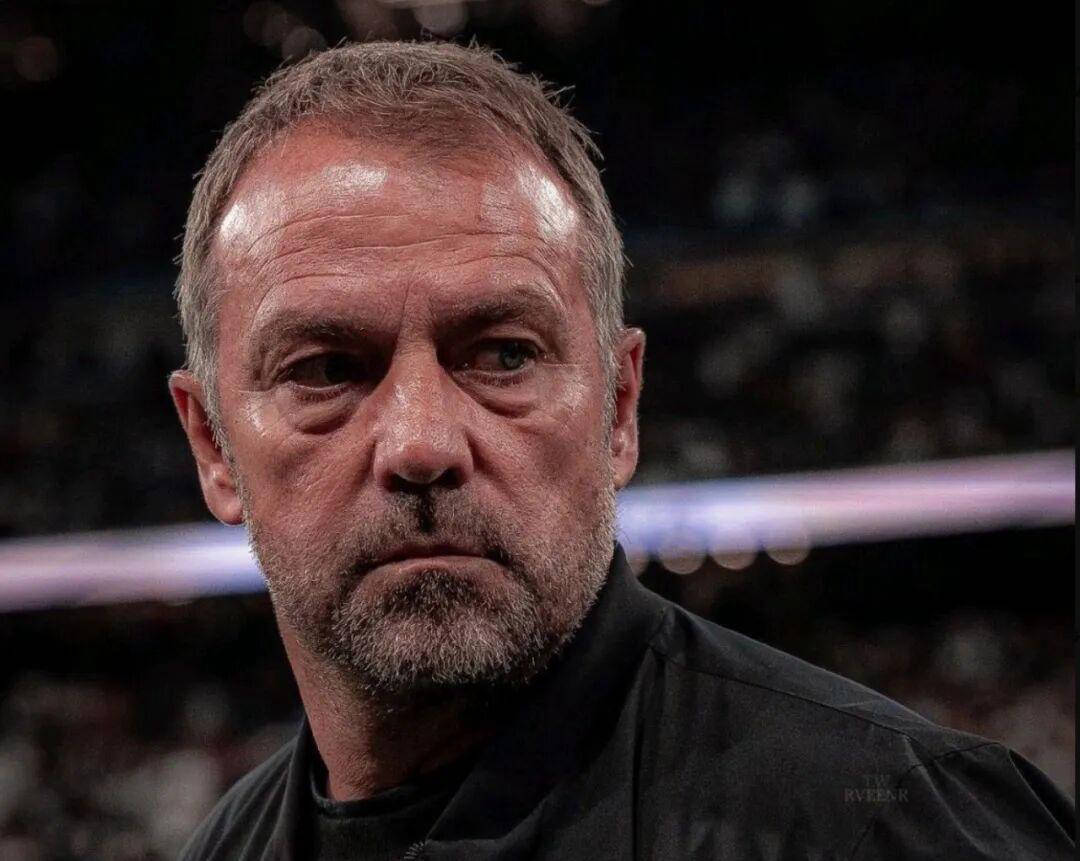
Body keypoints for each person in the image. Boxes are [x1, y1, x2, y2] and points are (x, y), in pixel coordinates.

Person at [169, 40, 1074, 860]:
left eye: (504, 355)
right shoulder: (224, 847)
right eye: (326, 369)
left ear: (620, 409)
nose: (422, 442)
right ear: (211, 445)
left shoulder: (891, 823)